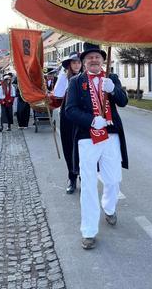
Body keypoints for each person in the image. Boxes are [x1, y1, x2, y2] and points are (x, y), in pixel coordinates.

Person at [66, 42, 128, 250]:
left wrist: (114, 90)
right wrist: (91, 120)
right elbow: (70, 111)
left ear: (103, 60)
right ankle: (89, 231)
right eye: (89, 58)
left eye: (97, 57)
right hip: (87, 137)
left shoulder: (112, 79)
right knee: (89, 185)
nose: (94, 60)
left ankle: (109, 207)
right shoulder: (76, 82)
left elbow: (124, 101)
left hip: (111, 136)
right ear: (83, 62)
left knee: (113, 180)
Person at [53, 51, 82, 194]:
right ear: (69, 64)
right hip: (67, 116)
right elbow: (57, 95)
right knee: (69, 148)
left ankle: (83, 175)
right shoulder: (64, 77)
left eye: (78, 62)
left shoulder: (86, 77)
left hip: (83, 117)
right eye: (74, 62)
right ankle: (72, 177)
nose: (77, 65)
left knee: (83, 148)